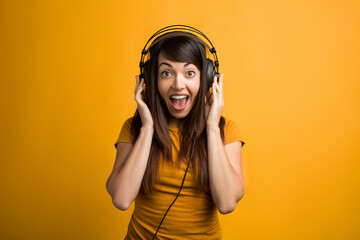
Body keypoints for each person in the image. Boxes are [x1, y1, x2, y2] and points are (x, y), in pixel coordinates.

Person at [106, 26, 246, 240]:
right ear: (152, 79)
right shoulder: (134, 129)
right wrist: (147, 129)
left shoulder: (224, 131)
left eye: (190, 73)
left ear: (207, 79)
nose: (178, 85)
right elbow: (122, 199)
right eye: (166, 73)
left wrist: (211, 127)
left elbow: (227, 203)